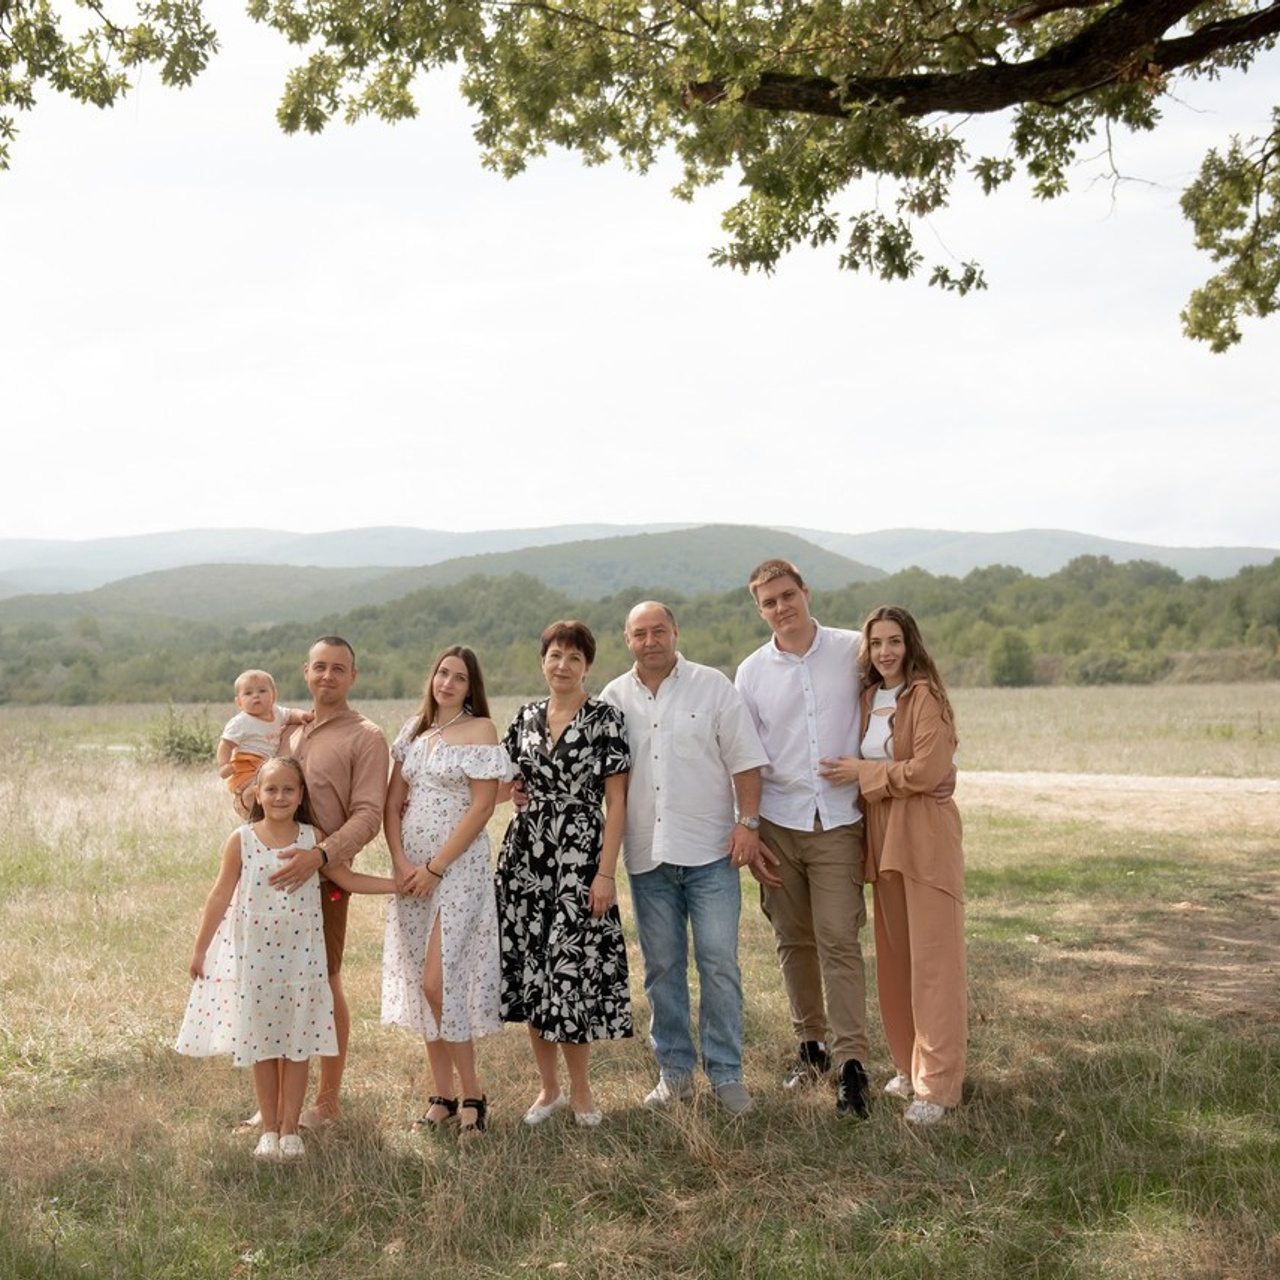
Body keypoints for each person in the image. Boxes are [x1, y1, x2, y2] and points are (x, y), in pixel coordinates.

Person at [177, 757, 394, 1160]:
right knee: (263, 1045)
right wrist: (200, 948)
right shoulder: (241, 840)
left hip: (301, 962)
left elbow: (346, 879)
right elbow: (220, 894)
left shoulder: (313, 839)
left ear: (300, 795)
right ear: (257, 794)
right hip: (257, 962)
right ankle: (269, 1130)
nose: (279, 796)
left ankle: (290, 1130)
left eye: (288, 789)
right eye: (271, 789)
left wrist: (398, 884)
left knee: (297, 1044)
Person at [600, 601, 769, 1116]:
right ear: (627, 640)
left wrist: (748, 823)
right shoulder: (613, 698)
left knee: (718, 963)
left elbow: (745, 760)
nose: (650, 641)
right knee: (662, 968)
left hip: (711, 852)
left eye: (659, 631)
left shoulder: (712, 686)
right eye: (640, 633)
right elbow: (591, 769)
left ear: (675, 632)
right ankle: (674, 1073)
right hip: (647, 856)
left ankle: (726, 1074)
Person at [733, 558, 872, 1118]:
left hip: (837, 819)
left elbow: (893, 705)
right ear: (759, 609)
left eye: (787, 595)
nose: (781, 607)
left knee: (838, 936)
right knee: (792, 938)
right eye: (769, 602)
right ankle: (811, 1047)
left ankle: (852, 1063)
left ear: (805, 592)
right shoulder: (751, 672)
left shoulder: (853, 650)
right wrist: (747, 827)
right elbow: (744, 755)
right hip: (778, 823)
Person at [819, 606, 966, 1126]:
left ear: (911, 645)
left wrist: (866, 772)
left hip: (924, 838)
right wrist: (877, 777)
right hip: (881, 841)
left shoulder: (926, 697)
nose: (885, 651)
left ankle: (938, 1086)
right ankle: (908, 1066)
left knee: (934, 966)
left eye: (894, 641)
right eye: (877, 642)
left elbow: (928, 772)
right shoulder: (867, 699)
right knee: (896, 962)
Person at [495, 619, 632, 1127]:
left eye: (574, 657)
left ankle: (581, 1091)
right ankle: (548, 1088)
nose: (563, 665)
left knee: (570, 972)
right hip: (526, 858)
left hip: (579, 856)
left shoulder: (605, 719)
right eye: (555, 655)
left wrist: (605, 874)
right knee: (534, 970)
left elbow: (617, 802)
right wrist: (513, 791)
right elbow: (503, 779)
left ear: (587, 666)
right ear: (543, 661)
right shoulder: (525, 717)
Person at [382, 646, 511, 1137]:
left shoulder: (480, 731)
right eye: (442, 673)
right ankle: (442, 1096)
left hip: (457, 869)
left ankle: (474, 1095)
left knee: (441, 982)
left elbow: (482, 808)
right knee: (422, 983)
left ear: (471, 686)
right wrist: (401, 862)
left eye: (459, 677)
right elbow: (392, 804)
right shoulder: (414, 731)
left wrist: (436, 867)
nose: (448, 683)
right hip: (411, 872)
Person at [265, 636, 391, 1128]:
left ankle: (328, 1100)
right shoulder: (288, 731)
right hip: (270, 875)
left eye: (339, 668)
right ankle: (278, 1102)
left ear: (353, 676)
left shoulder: (367, 736)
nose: (328, 676)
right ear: (306, 671)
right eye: (320, 667)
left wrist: (321, 855)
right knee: (275, 983)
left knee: (325, 978)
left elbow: (369, 815)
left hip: (322, 876)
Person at [216, 669, 312, 817]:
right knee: (255, 790)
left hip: (266, 764)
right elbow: (226, 744)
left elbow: (291, 714)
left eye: (262, 691)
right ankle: (252, 813)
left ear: (274, 695)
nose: (256, 696)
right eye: (248, 693)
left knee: (271, 787)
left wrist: (302, 716)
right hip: (247, 765)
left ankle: (268, 817)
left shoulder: (277, 712)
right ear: (239, 702)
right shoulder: (240, 722)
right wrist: (223, 764)